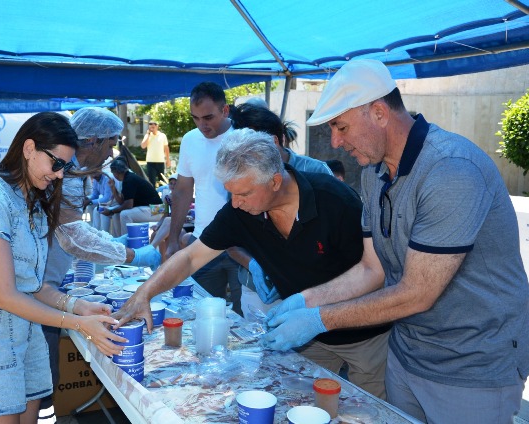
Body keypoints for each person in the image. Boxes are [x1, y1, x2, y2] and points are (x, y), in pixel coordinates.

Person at [263, 59, 529, 422]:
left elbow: (418, 293)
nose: (336, 142)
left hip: (472, 366)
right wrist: (305, 300)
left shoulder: (451, 168)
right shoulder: (374, 174)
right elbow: (371, 269)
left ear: (378, 112)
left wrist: (318, 319)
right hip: (408, 355)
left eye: (341, 127)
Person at [115, 128, 390, 397]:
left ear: (275, 181)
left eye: (244, 194)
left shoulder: (335, 201)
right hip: (305, 336)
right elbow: (190, 257)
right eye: (230, 193)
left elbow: (374, 272)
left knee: (369, 410)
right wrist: (145, 293)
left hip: (364, 333)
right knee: (300, 402)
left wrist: (319, 314)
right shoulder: (240, 210)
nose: (235, 203)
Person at [0, 112, 126, 423]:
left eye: (65, 167)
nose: (60, 175)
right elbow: (6, 295)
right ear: (29, 148)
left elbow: (33, 286)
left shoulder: (33, 204)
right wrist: (78, 323)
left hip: (25, 332)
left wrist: (79, 306)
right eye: (57, 163)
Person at [38, 107, 160, 423]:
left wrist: (114, 244)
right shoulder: (66, 173)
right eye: (110, 144)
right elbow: (74, 237)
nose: (110, 154)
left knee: (40, 375)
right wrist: (133, 256)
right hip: (37, 288)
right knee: (38, 378)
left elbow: (76, 230)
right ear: (92, 140)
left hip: (46, 282)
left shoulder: (74, 171)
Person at [228, 104, 335, 320]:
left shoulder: (316, 173)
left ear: (274, 142)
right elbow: (229, 239)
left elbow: (334, 239)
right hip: (259, 291)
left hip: (310, 292)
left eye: (248, 149)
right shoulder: (237, 178)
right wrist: (254, 265)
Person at [166, 81, 241, 315]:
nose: (202, 125)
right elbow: (182, 191)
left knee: (247, 317)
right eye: (195, 118)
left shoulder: (242, 138)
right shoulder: (190, 140)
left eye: (208, 117)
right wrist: (172, 240)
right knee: (202, 314)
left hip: (243, 244)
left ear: (225, 110)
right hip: (204, 241)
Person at [102, 157, 163, 235]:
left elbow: (128, 205)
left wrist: (111, 211)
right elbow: (122, 203)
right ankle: (118, 239)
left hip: (158, 210)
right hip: (151, 209)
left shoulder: (129, 179)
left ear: (116, 173)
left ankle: (126, 241)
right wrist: (113, 188)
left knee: (125, 214)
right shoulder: (127, 178)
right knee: (116, 213)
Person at [141, 120, 170, 186]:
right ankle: (153, 192)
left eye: (154, 126)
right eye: (151, 126)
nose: (152, 128)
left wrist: (168, 160)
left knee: (162, 181)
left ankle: (162, 192)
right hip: (150, 162)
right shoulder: (147, 136)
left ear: (157, 126)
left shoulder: (162, 135)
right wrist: (148, 135)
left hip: (160, 161)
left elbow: (166, 148)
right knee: (152, 181)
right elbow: (143, 146)